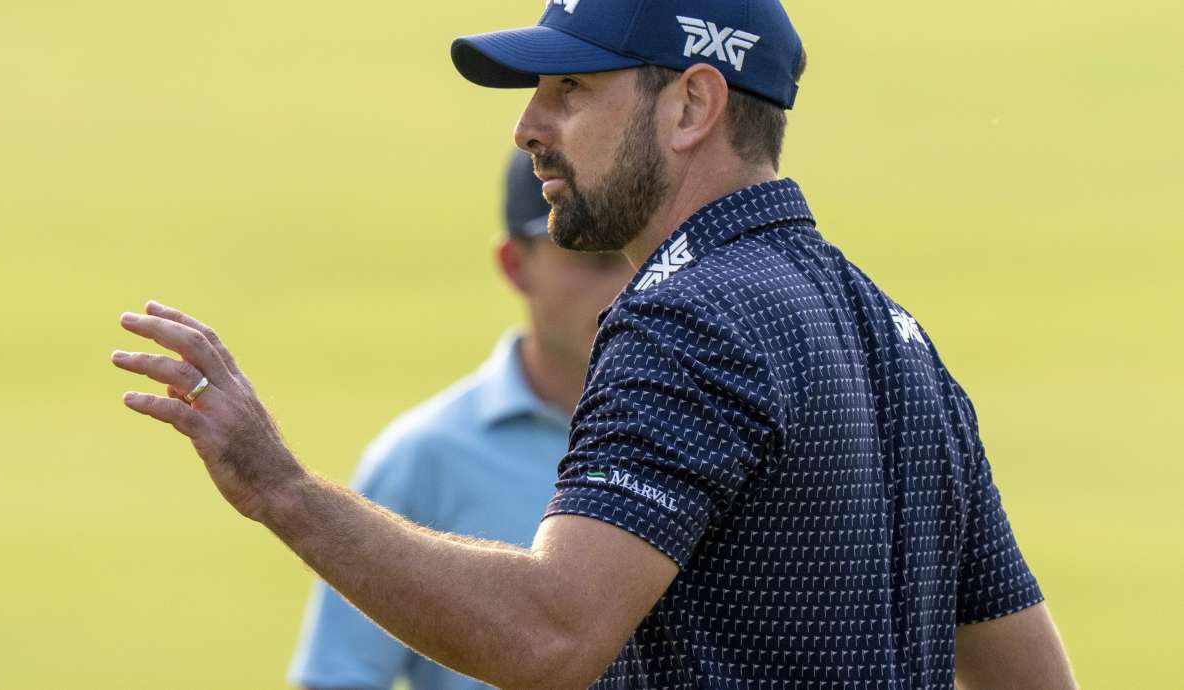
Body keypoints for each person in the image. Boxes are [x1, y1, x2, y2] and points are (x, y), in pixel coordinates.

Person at [111, 0, 1078, 687]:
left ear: (692, 107)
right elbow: (1028, 677)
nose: (529, 125)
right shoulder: (893, 335)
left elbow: (551, 637)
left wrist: (281, 488)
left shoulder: (685, 317)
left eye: (569, 87)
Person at [286, 150, 633, 690]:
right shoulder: (425, 454)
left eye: (646, 258)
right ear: (516, 266)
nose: (628, 290)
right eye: (593, 260)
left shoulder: (711, 431)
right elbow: (341, 676)